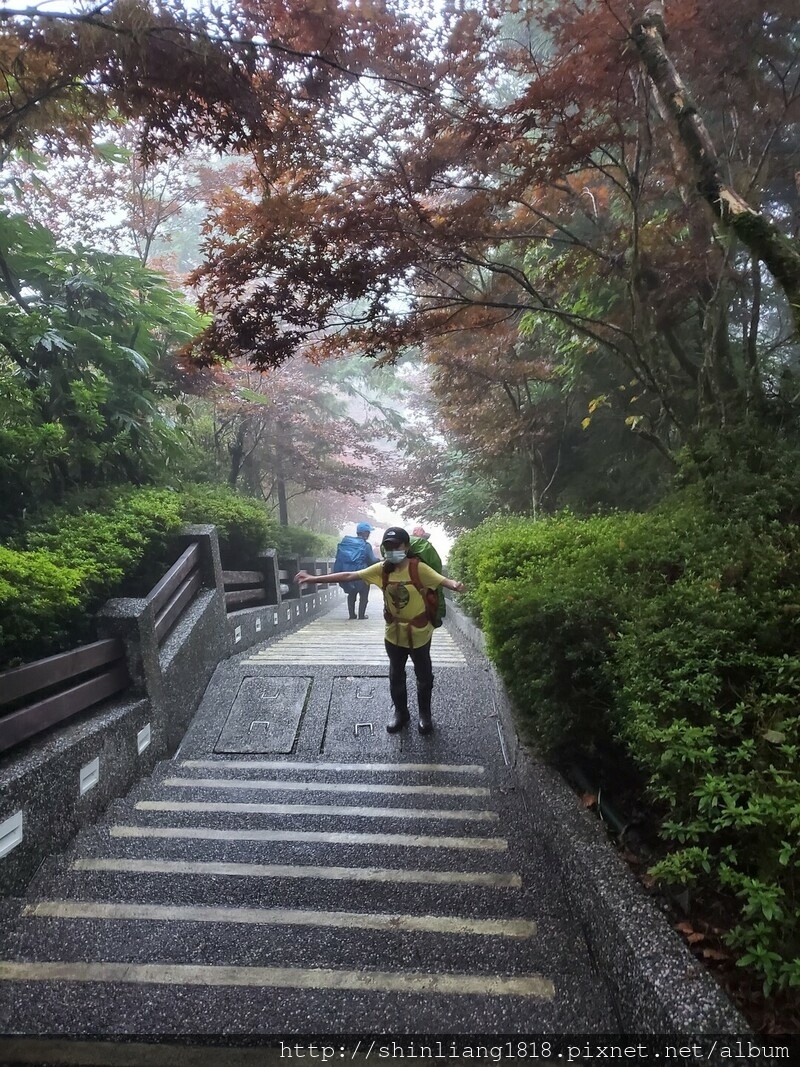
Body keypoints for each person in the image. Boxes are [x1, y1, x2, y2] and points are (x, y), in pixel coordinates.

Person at [296, 526, 466, 734]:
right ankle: (401, 714)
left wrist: (455, 585)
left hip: (420, 632)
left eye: (397, 546)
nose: (392, 550)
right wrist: (313, 579)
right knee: (396, 674)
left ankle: (425, 715)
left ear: (406, 547)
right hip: (393, 633)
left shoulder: (418, 568)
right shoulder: (381, 569)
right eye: (388, 546)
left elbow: (443, 581)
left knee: (424, 675)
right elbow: (350, 575)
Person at [333, 522, 379, 620]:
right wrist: (379, 561)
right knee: (363, 596)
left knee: (351, 594)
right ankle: (361, 615)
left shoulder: (349, 544)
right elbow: (371, 560)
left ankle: (352, 615)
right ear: (365, 533)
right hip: (362, 574)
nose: (369, 534)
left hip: (349, 574)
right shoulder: (366, 546)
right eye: (368, 532)